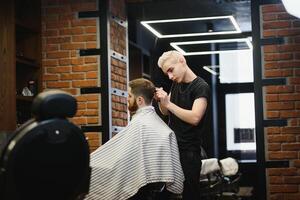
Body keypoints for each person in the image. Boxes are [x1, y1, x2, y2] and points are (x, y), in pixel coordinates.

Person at [85, 78, 184, 200]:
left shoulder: (141, 125)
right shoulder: (157, 125)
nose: (127, 99)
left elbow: (124, 159)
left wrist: (90, 162)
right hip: (152, 190)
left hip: (141, 192)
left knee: (88, 174)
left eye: (129, 96)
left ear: (140, 100)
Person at [155, 50, 210, 200]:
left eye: (171, 71)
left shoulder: (201, 86)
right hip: (174, 148)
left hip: (189, 152)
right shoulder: (175, 84)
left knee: (190, 194)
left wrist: (169, 104)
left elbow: (195, 117)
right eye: (167, 74)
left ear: (181, 60)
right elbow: (166, 112)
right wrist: (162, 100)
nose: (170, 76)